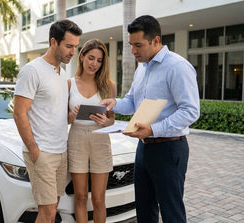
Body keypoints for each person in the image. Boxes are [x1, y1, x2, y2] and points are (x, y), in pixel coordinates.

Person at [100, 15, 200, 222]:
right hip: (143, 149)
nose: (133, 51)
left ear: (156, 41)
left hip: (169, 149)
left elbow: (190, 110)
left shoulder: (178, 67)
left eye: (138, 45)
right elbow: (131, 102)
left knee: (171, 212)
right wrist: (114, 103)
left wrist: (153, 129)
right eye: (130, 45)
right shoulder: (142, 68)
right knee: (144, 210)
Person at [13, 19, 82, 222]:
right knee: (48, 210)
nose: (72, 52)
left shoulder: (62, 73)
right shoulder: (32, 70)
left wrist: (73, 116)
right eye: (68, 46)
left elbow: (55, 114)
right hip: (42, 152)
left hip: (61, 151)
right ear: (54, 42)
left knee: (54, 207)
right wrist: (34, 150)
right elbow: (19, 113)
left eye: (75, 47)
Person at [67, 39, 116, 222]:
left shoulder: (108, 86)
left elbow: (111, 120)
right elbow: (64, 120)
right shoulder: (69, 84)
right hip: (77, 138)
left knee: (98, 199)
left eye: (99, 60)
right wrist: (72, 115)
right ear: (81, 57)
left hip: (100, 139)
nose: (94, 63)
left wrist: (105, 122)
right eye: (91, 58)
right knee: (80, 197)